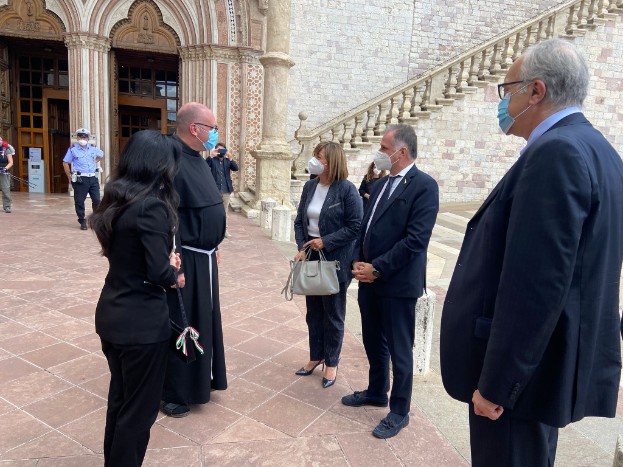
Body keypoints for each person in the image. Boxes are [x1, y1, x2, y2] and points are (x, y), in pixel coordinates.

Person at [440, 38, 623, 467]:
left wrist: (497, 386)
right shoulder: (600, 151)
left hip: (519, 384)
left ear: (536, 91)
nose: (503, 103)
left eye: (507, 90)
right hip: (543, 370)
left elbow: (535, 287)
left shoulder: (557, 152)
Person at [91, 130, 181, 467]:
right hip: (141, 322)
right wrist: (174, 272)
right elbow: (158, 272)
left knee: (120, 400)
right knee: (139, 411)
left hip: (113, 312)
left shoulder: (116, 200)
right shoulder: (151, 207)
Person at [344, 124, 439, 439]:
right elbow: (365, 227)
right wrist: (357, 260)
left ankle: (399, 411)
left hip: (397, 283)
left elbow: (415, 241)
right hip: (369, 280)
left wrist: (378, 268)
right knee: (373, 341)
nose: (379, 153)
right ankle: (376, 391)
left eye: (385, 148)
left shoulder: (424, 186)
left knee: (400, 350)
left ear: (402, 151)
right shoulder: (381, 184)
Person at [160, 102, 228, 418]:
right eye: (212, 128)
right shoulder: (170, 160)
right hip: (184, 259)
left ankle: (199, 383)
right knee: (182, 323)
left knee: (202, 321)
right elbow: (167, 215)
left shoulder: (198, 158)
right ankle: (174, 392)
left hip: (205, 257)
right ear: (195, 128)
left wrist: (213, 242)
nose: (215, 134)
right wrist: (173, 264)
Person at [293, 141, 363, 388]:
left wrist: (326, 241)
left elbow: (355, 226)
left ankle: (331, 362)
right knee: (313, 312)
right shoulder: (310, 186)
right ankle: (316, 356)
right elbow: (299, 221)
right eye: (315, 155)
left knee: (333, 314)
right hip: (310, 255)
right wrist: (301, 247)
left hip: (335, 260)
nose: (314, 160)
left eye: (319, 157)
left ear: (331, 162)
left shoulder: (346, 190)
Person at [63, 128, 104, 230]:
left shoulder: (93, 148)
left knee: (97, 200)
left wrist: (95, 161)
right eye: (80, 137)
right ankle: (82, 220)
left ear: (88, 139)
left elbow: (101, 155)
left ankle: (95, 220)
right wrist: (69, 176)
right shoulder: (73, 149)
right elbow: (65, 162)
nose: (83, 139)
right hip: (80, 179)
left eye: (85, 137)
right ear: (77, 138)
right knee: (80, 201)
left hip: (93, 178)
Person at [206, 142, 239, 238]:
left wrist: (230, 157)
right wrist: (211, 156)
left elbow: (235, 168)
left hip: (226, 190)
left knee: (224, 212)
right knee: (214, 211)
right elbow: (204, 166)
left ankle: (224, 230)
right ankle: (213, 230)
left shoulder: (228, 161)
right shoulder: (212, 160)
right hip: (214, 190)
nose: (220, 152)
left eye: (222, 150)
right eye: (218, 150)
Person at [0, 135, 15, 213]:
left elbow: (11, 162)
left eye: (0, 140)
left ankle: (7, 207)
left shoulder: (6, 149)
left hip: (4, 172)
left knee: (5, 189)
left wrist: (5, 168)